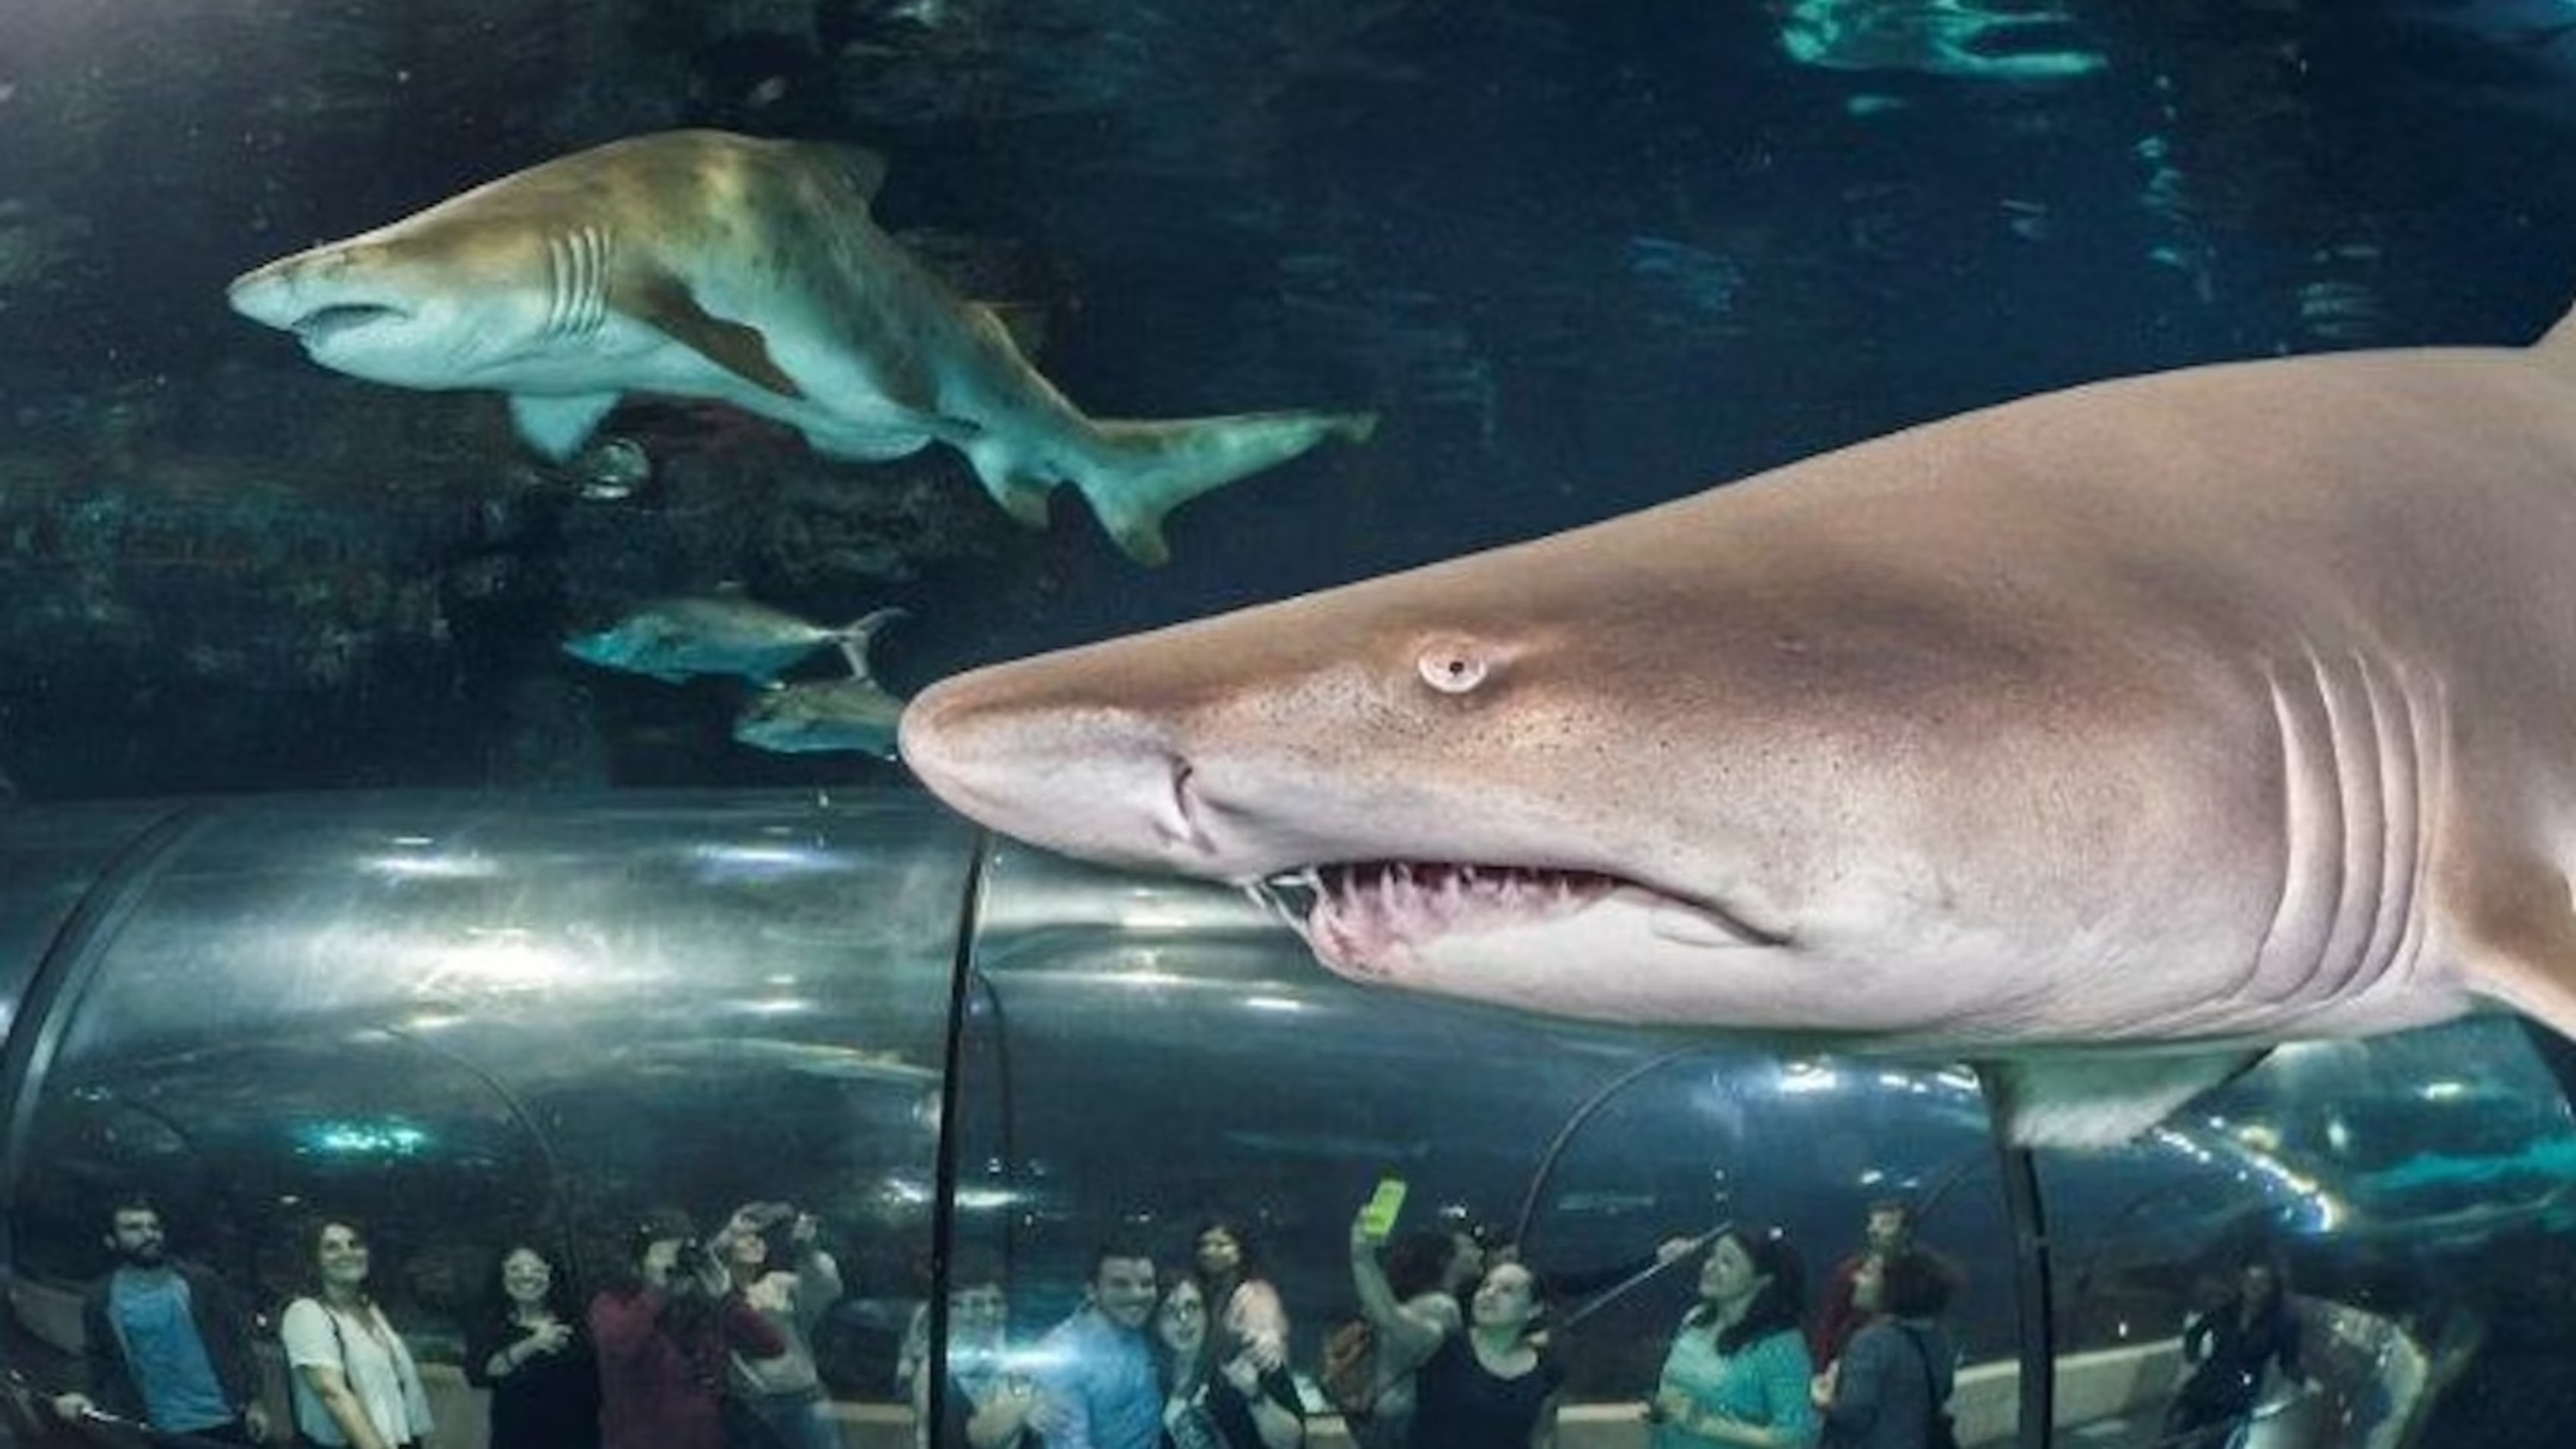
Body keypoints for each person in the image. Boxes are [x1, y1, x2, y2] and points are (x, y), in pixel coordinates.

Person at [47, 1193, 270, 1444]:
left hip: (228, 1419)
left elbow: (237, 1341)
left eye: (153, 1226)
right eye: (134, 1228)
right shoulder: (103, 1297)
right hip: (159, 1429)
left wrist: (256, 1402)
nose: (148, 1234)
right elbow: (96, 1355)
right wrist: (78, 1391)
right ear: (111, 1240)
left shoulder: (199, 1282)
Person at [589, 1209, 788, 1449]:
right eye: (671, 1252)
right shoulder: (613, 1302)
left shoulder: (704, 1306)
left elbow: (771, 1346)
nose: (680, 1264)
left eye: (685, 1254)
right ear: (642, 1260)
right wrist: (655, 1290)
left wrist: (725, 1297)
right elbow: (620, 1347)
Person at [1649, 1227, 1819, 1449]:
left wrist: (1701, 1422)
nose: (1710, 1267)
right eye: (1712, 1257)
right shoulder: (1695, 1319)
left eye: (1727, 1262)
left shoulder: (1780, 1346)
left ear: (1762, 1279)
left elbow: (1795, 1436)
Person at [279, 1218, 436, 1449]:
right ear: (313, 1260)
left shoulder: (369, 1307)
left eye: (355, 1244)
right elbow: (333, 1394)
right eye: (332, 1247)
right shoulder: (306, 1313)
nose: (347, 1253)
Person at [716, 1202, 846, 1449]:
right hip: (748, 1408)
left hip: (804, 1400)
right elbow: (705, 1267)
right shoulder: (715, 1294)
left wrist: (807, 1250)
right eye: (746, 1238)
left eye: (760, 1238)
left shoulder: (779, 1285)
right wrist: (731, 1231)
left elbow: (827, 1287)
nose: (756, 1242)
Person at [1341, 1227, 1475, 1449]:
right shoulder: (1440, 1306)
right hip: (1407, 1421)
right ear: (1444, 1260)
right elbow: (1393, 1322)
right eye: (1467, 1248)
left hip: (1380, 1415)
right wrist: (1362, 1258)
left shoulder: (1409, 1301)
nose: (1478, 1252)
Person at [1813, 1250, 1960, 1449]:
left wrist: (1822, 1398)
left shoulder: (1872, 1342)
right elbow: (1944, 1390)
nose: (1855, 1278)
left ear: (1891, 1287)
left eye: (1867, 1274)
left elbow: (1855, 1415)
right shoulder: (1939, 1337)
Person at [464, 1243, 601, 1449]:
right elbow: (480, 1374)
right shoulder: (490, 1324)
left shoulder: (574, 1322)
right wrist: (534, 1344)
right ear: (501, 1276)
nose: (526, 1276)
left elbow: (595, 1389)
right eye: (515, 1269)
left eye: (537, 1269)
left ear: (551, 1276)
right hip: (514, 1440)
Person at [2160, 1257, 2305, 1449]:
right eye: (2249, 1279)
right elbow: (2195, 1333)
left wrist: (2300, 1382)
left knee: (2212, 1445)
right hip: (2202, 1387)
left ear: (2272, 1287)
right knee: (2170, 1438)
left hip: (2235, 1399)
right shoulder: (2225, 1310)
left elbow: (2289, 1361)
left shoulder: (2283, 1324)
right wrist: (2192, 1360)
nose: (2253, 1285)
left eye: (2261, 1281)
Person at [1030, 1241, 1163, 1449]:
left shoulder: (1145, 1329)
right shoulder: (1062, 1354)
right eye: (1121, 1284)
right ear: (1091, 1291)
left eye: (1147, 1284)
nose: (1137, 1295)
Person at [1150, 1273, 1302, 1449]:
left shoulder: (1249, 1355)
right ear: (1156, 1321)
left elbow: (1291, 1442)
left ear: (1207, 1313)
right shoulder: (1152, 1376)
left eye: (1192, 1307)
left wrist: (1255, 1395)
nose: (1183, 1319)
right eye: (1170, 1311)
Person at [914, 1256, 1041, 1449]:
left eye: (997, 1302)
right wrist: (1026, 1404)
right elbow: (979, 1439)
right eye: (978, 1304)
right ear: (957, 1309)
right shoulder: (933, 1371)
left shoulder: (1022, 1359)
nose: (989, 1312)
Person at [1808, 1202, 1911, 1373]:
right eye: (1872, 1223)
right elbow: (1829, 1325)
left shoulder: (1921, 1276)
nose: (1874, 1230)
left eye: (1885, 1224)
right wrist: (1821, 1368)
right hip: (1856, 1366)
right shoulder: (1849, 1272)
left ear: (1906, 1232)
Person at [1190, 1220, 1289, 1373]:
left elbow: (1266, 1352)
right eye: (1204, 1244)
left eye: (1221, 1245)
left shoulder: (1256, 1294)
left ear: (1242, 1249)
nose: (1209, 1251)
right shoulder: (1211, 1292)